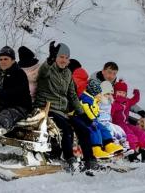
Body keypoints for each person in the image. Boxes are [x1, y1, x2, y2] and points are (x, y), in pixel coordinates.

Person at [34, 41, 98, 172]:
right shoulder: (48, 69)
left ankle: (89, 161)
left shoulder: (68, 73)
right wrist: (50, 60)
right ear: (56, 57)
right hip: (46, 108)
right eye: (61, 57)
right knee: (66, 128)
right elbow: (42, 73)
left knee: (84, 129)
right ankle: (69, 159)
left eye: (66, 58)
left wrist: (82, 114)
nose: (63, 60)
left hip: (62, 112)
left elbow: (72, 96)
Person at [78, 80, 124, 159]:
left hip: (92, 120)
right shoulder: (86, 98)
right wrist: (93, 119)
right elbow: (87, 110)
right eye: (99, 93)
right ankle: (96, 149)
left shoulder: (93, 99)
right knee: (95, 130)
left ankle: (109, 145)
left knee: (104, 129)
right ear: (94, 92)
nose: (100, 95)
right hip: (85, 120)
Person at [111, 80, 145, 162]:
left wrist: (137, 93)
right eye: (119, 92)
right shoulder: (113, 102)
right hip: (118, 125)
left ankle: (144, 153)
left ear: (125, 94)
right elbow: (110, 113)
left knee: (140, 132)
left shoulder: (127, 101)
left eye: (123, 93)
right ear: (114, 92)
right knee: (130, 135)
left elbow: (135, 100)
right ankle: (132, 156)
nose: (121, 94)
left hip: (126, 123)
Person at [97, 81, 132, 155]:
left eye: (110, 94)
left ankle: (125, 147)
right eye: (106, 94)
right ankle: (114, 148)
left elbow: (110, 113)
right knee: (111, 132)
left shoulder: (110, 102)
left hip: (108, 122)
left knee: (119, 130)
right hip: (101, 122)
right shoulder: (99, 101)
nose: (108, 95)